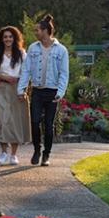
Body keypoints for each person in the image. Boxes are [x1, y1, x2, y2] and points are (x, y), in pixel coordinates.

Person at [17, 14, 69, 166]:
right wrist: (21, 89)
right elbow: (26, 70)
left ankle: (46, 155)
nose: (35, 33)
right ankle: (37, 150)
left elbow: (64, 74)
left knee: (48, 124)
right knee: (34, 122)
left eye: (37, 30)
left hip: (52, 92)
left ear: (46, 31)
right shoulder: (33, 48)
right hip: (37, 91)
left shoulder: (61, 50)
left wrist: (60, 92)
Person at [0, 26, 31, 165]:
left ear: (15, 38)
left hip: (18, 89)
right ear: (2, 39)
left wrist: (23, 90)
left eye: (10, 36)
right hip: (2, 89)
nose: (8, 39)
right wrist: (5, 78)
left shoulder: (22, 53)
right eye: (5, 37)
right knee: (3, 119)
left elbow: (26, 73)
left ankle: (13, 155)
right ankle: (3, 153)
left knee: (15, 121)